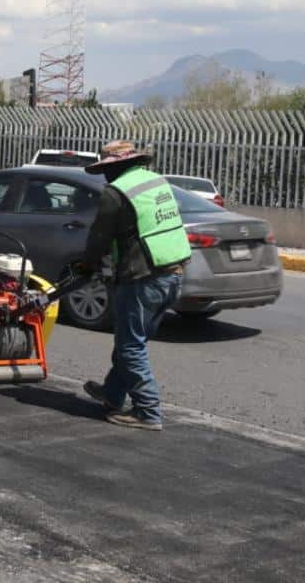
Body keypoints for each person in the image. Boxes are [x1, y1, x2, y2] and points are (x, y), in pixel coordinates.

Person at [81, 140, 191, 430]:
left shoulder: (115, 193)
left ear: (115, 166)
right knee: (132, 341)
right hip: (174, 272)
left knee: (131, 347)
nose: (104, 174)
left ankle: (148, 411)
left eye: (106, 168)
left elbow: (99, 237)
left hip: (142, 278)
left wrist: (86, 264)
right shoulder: (156, 182)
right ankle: (113, 393)